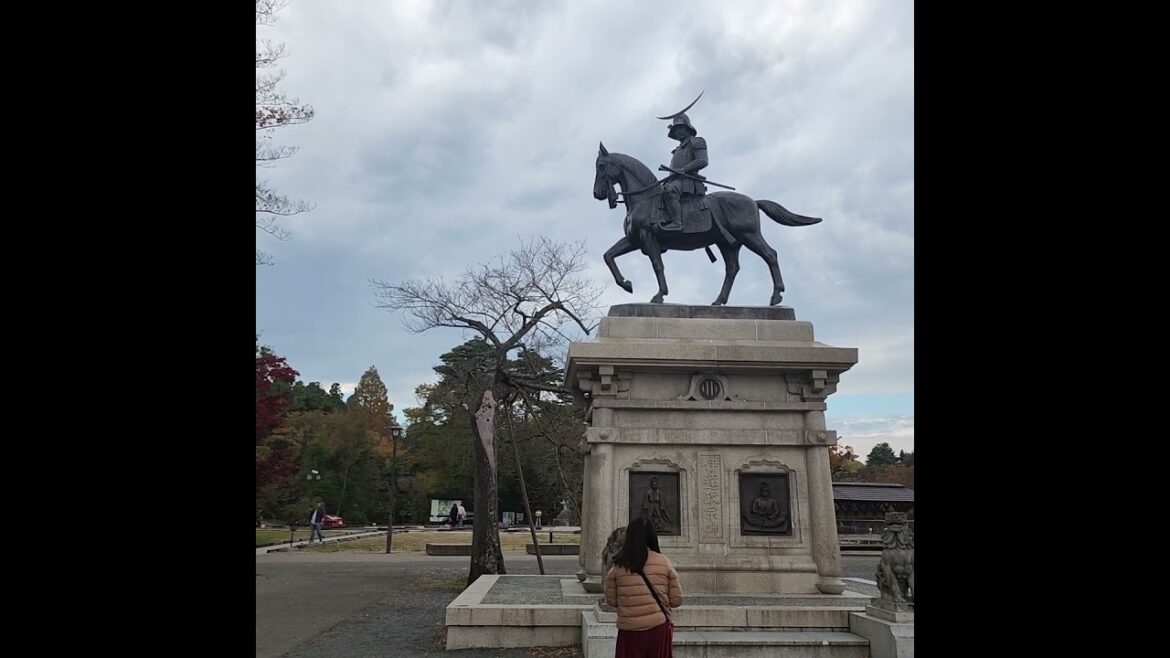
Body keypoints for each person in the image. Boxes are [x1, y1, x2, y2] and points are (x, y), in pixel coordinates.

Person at [605, 516, 683, 657]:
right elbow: (677, 600)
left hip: (629, 632)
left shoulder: (618, 566)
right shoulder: (663, 562)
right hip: (657, 630)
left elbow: (612, 601)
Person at [657, 113, 708, 231]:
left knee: (670, 190)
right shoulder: (676, 150)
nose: (678, 132)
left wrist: (683, 170)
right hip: (675, 181)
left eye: (680, 128)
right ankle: (666, 217)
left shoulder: (697, 141)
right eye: (676, 130)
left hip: (688, 181)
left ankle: (677, 222)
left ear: (687, 128)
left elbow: (702, 160)